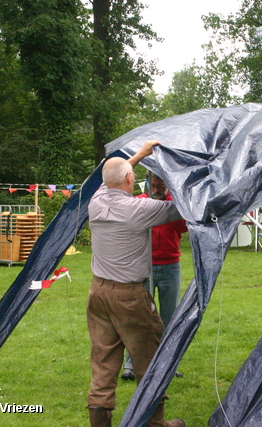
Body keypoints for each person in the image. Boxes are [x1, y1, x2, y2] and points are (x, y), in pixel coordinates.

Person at [86, 140, 186, 427]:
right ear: (130, 179)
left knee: (103, 362)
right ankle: (156, 424)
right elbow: (184, 207)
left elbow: (114, 175)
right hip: (129, 297)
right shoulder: (140, 209)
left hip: (98, 293)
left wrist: (140, 154)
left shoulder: (97, 200)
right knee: (149, 360)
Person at [121, 173, 188, 381]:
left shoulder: (176, 204)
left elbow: (183, 228)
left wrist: (171, 206)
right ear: (149, 183)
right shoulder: (140, 202)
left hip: (170, 267)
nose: (157, 188)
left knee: (169, 318)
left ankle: (167, 365)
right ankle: (131, 364)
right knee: (140, 317)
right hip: (144, 268)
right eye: (154, 184)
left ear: (168, 184)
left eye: (161, 184)